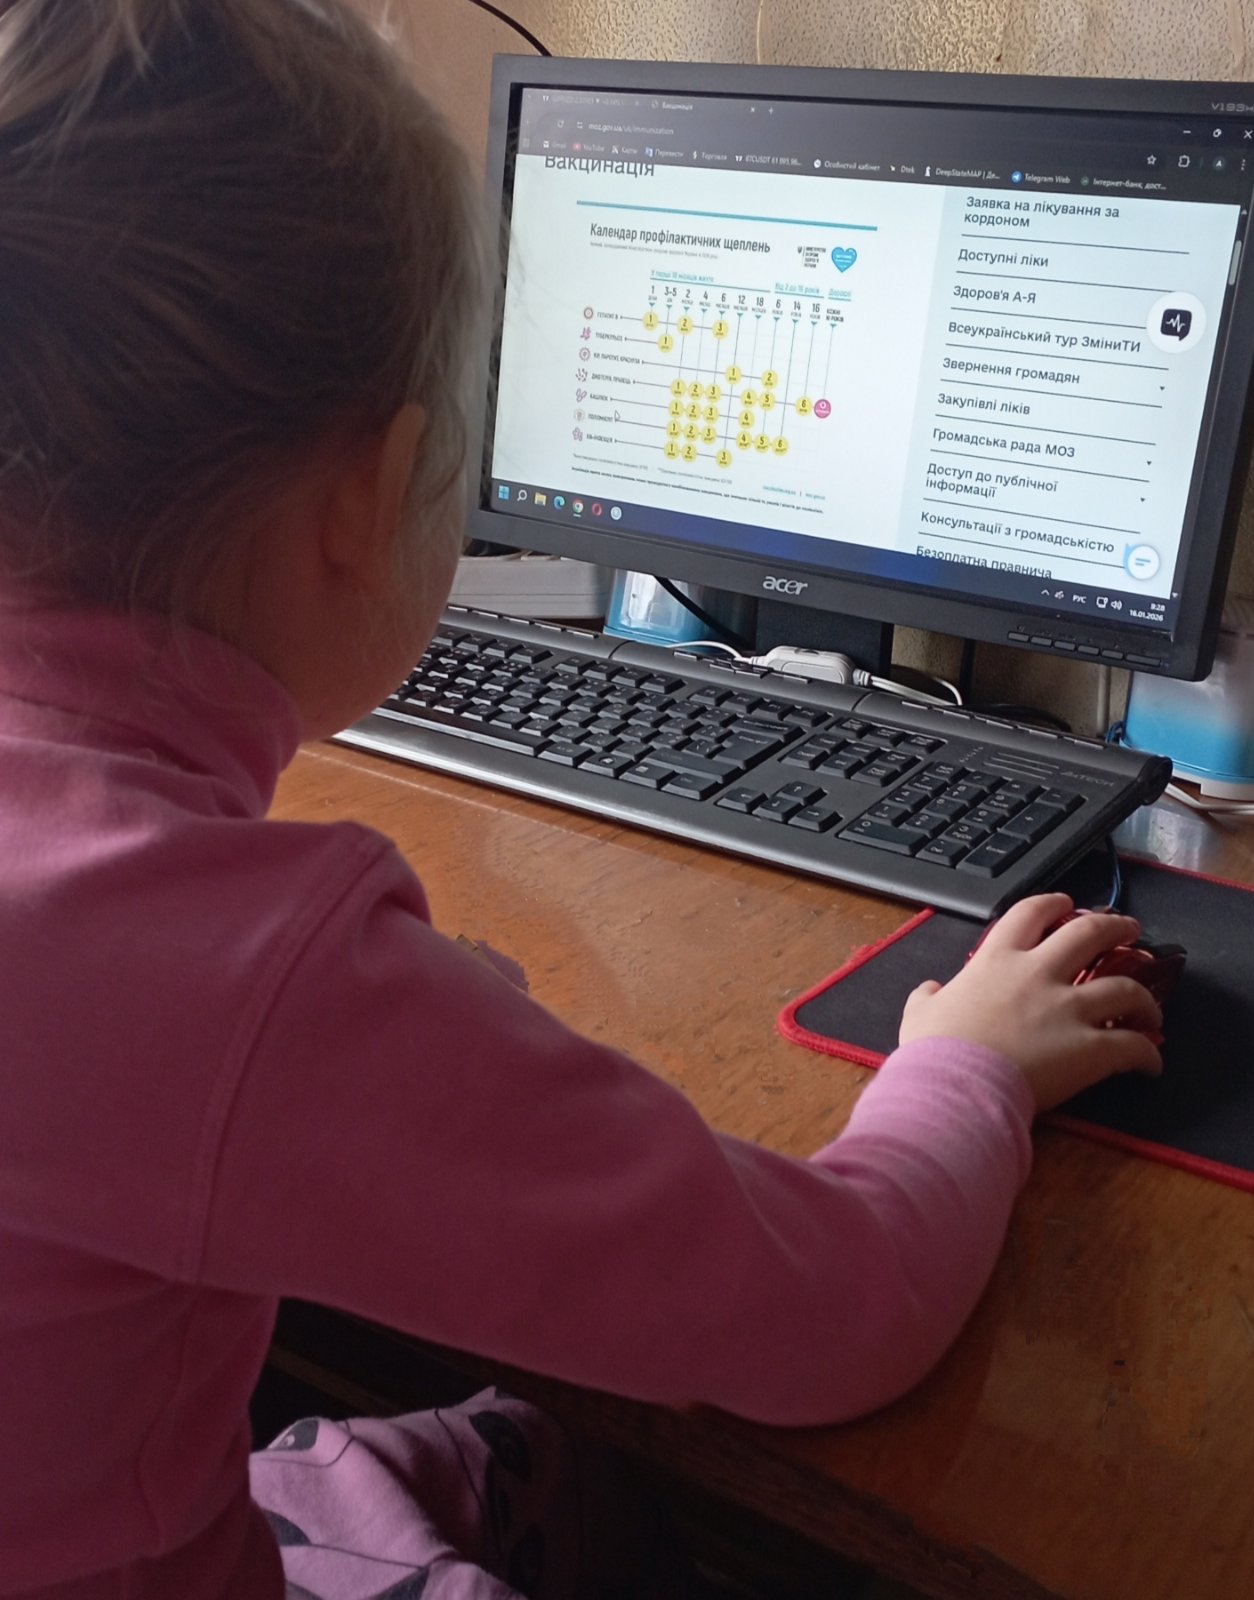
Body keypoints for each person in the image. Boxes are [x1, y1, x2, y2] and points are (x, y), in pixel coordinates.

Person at [0, 2, 1165, 1597]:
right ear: (371, 495)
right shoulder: (235, 978)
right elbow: (837, 1314)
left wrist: (395, 1022)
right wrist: (966, 1064)